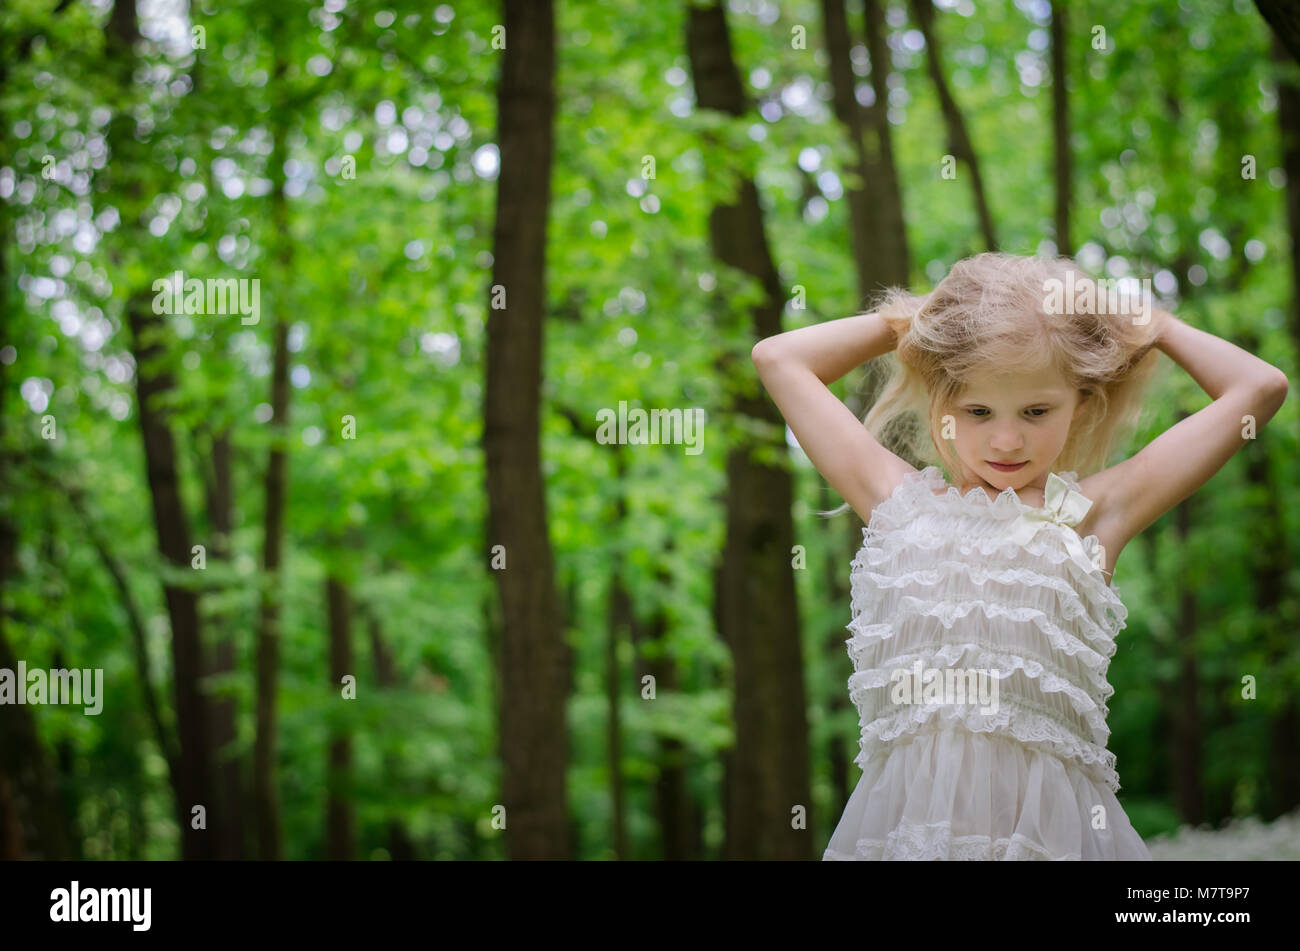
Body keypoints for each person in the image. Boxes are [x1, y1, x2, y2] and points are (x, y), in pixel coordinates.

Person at [751, 252, 1290, 860]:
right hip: (907, 838)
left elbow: (1261, 387)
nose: (1007, 440)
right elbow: (778, 358)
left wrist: (1152, 326)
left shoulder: (1093, 513)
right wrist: (914, 319)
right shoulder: (894, 501)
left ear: (1081, 404)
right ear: (942, 405)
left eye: (1036, 411)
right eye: (978, 411)